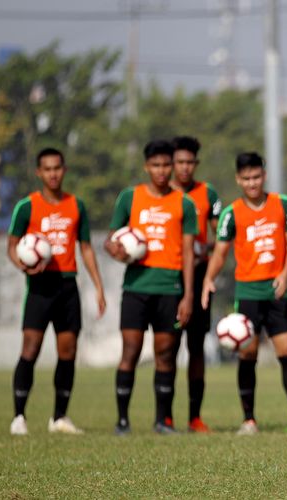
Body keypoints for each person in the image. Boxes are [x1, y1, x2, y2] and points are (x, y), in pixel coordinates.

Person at [202, 152, 287, 436]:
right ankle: (249, 421)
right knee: (248, 354)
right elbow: (220, 252)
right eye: (246, 178)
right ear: (238, 179)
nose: (252, 183)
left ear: (264, 175)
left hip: (277, 291)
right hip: (247, 294)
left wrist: (284, 274)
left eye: (256, 177)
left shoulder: (283, 204)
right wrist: (208, 279)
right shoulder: (231, 213)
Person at [7, 147, 106, 435]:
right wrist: (23, 265)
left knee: (68, 351)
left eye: (57, 168)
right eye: (47, 169)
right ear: (39, 172)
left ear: (64, 170)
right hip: (39, 286)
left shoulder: (77, 206)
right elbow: (12, 247)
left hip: (67, 285)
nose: (53, 174)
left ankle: (59, 418)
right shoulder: (27, 207)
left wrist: (99, 286)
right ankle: (19, 417)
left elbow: (85, 248)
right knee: (30, 348)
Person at [105, 139, 198, 435]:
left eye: (166, 165)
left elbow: (188, 253)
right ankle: (122, 421)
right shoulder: (129, 198)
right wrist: (115, 249)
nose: (161, 170)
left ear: (172, 167)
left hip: (169, 289)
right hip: (136, 287)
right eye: (155, 165)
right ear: (146, 166)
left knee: (166, 354)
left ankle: (162, 420)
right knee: (130, 351)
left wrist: (188, 296)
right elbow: (111, 240)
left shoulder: (184, 203)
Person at [170, 136, 222, 433]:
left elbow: (219, 236)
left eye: (190, 162)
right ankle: (164, 417)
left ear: (196, 163)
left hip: (199, 276)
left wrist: (209, 248)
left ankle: (194, 417)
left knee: (196, 347)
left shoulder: (207, 193)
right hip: (168, 278)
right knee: (168, 346)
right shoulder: (163, 196)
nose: (185, 167)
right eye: (180, 162)